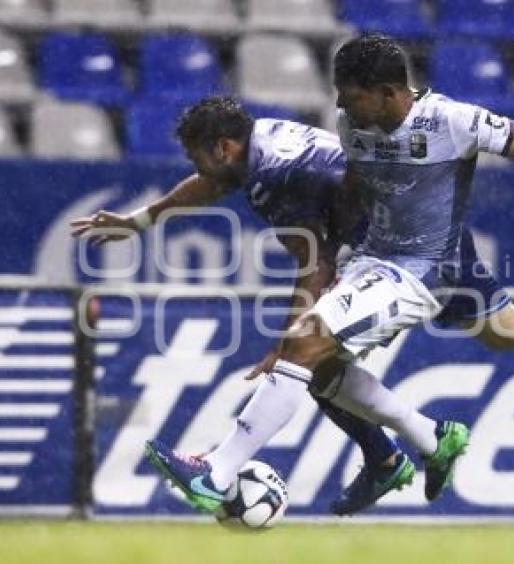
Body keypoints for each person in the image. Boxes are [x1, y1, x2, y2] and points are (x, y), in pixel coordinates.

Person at [142, 33, 514, 517]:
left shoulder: (452, 121)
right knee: (506, 331)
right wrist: (339, 259)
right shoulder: (351, 122)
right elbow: (355, 190)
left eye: (354, 96)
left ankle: (217, 472)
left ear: (390, 93)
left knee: (308, 345)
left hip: (419, 266)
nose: (343, 106)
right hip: (387, 255)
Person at [71, 97, 471, 516]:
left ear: (223, 148)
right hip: (389, 244)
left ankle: (217, 473)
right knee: (319, 368)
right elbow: (212, 183)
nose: (197, 168)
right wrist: (139, 221)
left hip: (411, 255)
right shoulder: (257, 142)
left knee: (302, 348)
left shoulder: (278, 174)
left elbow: (314, 260)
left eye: (197, 157)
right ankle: (420, 443)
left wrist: (284, 345)